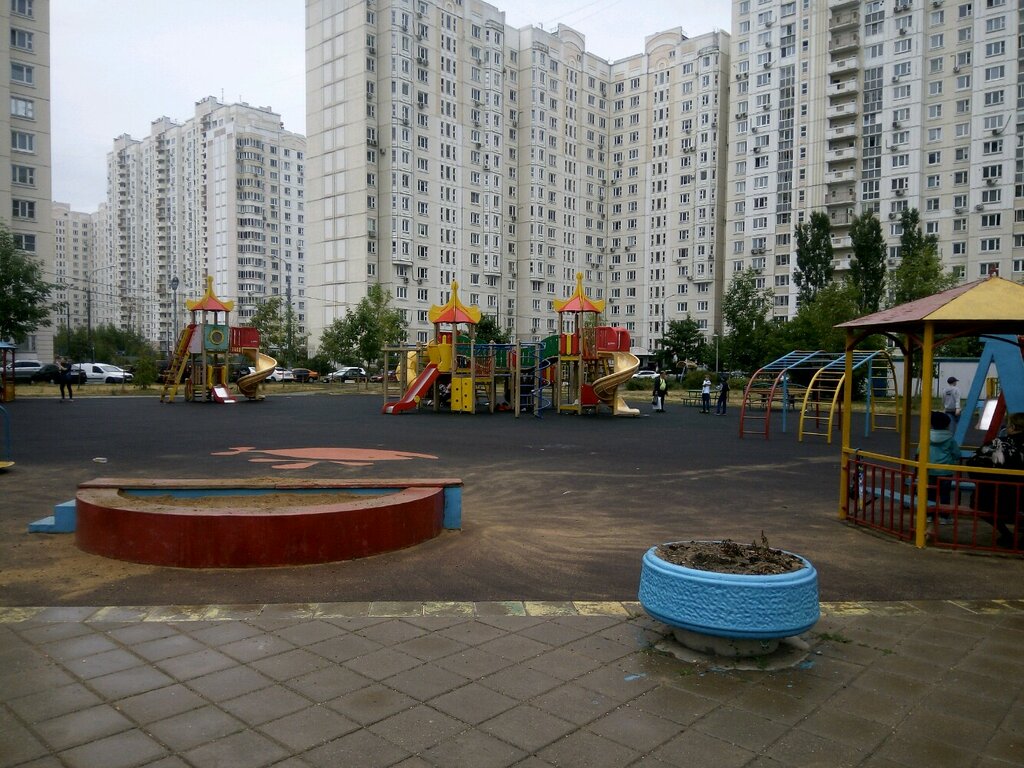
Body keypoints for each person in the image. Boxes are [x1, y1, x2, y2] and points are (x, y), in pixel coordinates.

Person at [967, 412, 1024, 548]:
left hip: (993, 499)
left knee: (976, 502)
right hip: (1022, 500)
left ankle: (1006, 534)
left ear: (1012, 427)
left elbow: (973, 464)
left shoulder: (998, 444)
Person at [926, 411, 960, 523]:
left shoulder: (926, 437)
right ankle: (944, 516)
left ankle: (929, 515)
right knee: (945, 494)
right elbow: (956, 454)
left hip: (931, 470)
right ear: (947, 425)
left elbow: (919, 451)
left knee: (931, 494)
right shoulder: (950, 439)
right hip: (946, 471)